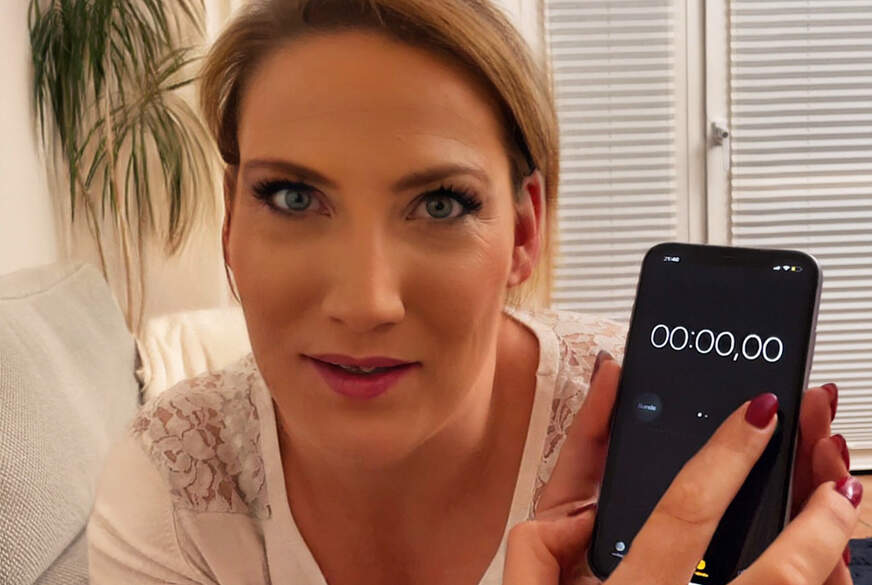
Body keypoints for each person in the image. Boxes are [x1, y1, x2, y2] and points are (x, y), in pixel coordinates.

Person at [86, 1, 862, 584]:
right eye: (292, 197)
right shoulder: (175, 485)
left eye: (439, 204)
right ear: (230, 221)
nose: (366, 302)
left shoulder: (641, 431)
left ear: (525, 229)